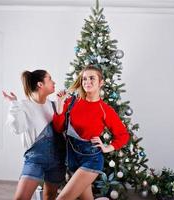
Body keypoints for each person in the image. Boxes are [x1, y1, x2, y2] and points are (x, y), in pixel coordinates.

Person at [53, 65, 130, 200]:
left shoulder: (105, 109)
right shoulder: (72, 102)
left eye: (92, 78)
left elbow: (123, 135)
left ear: (101, 82)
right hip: (72, 160)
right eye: (84, 79)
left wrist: (107, 148)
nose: (87, 82)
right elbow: (59, 129)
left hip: (91, 159)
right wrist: (60, 105)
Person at [3, 69, 66, 200]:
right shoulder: (23, 106)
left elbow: (61, 130)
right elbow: (17, 129)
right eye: (50, 79)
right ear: (40, 84)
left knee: (50, 196)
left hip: (57, 161)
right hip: (34, 160)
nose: (54, 82)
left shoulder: (54, 106)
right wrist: (14, 105)